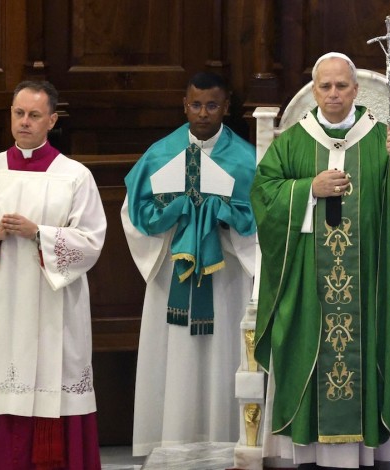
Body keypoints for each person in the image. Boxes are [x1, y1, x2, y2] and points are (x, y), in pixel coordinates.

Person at [251, 52, 390, 468]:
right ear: (314, 90)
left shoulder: (379, 138)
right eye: (325, 86)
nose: (334, 93)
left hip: (367, 279)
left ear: (355, 89)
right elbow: (263, 197)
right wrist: (308, 189)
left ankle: (368, 450)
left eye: (342, 86)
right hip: (307, 282)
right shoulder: (294, 140)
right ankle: (307, 448)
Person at [0, 80, 107, 469]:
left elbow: (91, 241)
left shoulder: (74, 176)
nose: (24, 122)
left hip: (52, 304)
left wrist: (40, 234)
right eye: (19, 113)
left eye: (34, 115)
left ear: (52, 119)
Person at [121, 72, 257, 455]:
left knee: (223, 355)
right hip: (172, 272)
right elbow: (134, 213)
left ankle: (227, 441)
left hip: (225, 274)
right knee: (175, 358)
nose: (203, 113)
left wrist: (224, 216)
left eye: (212, 105)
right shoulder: (161, 154)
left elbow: (262, 218)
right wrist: (175, 213)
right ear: (184, 105)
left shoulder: (247, 159)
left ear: (226, 107)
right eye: (195, 105)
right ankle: (171, 443)